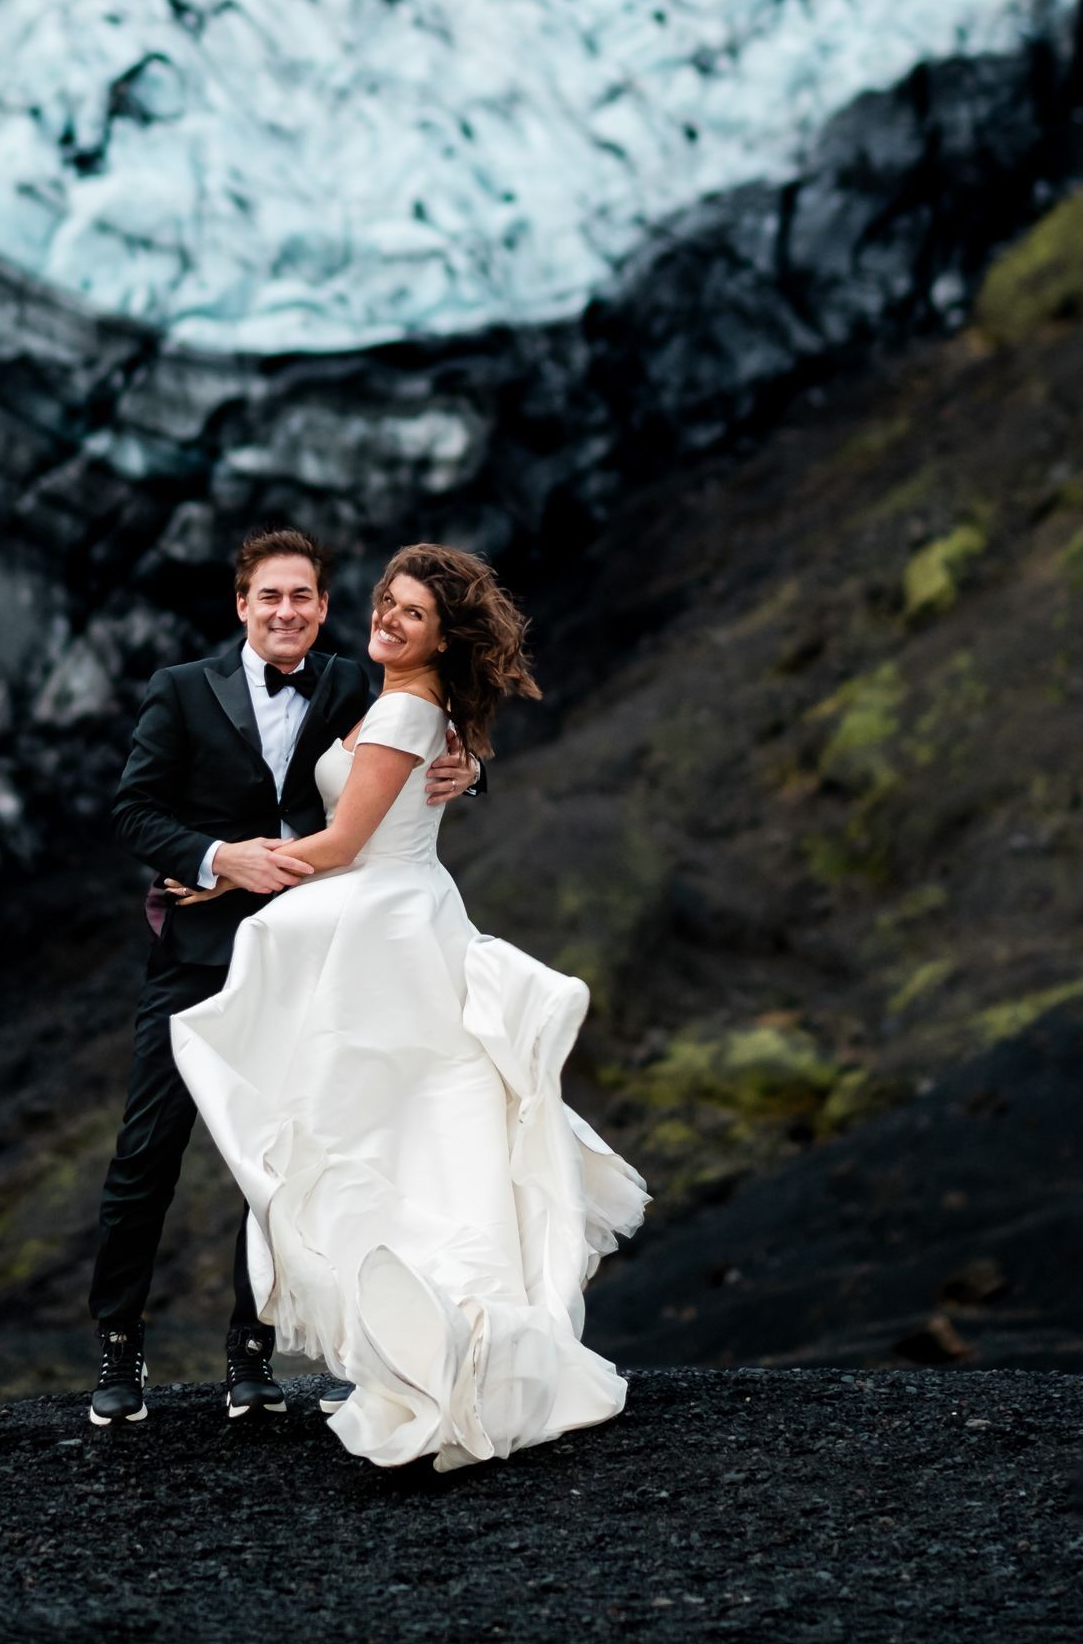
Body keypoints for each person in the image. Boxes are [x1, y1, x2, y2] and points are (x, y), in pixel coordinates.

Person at [170, 542, 647, 1471]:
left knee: (382, 1129)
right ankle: (439, 1342)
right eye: (386, 602)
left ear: (442, 635)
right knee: (412, 1134)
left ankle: (450, 1341)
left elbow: (346, 842)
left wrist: (224, 871)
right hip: (394, 921)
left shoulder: (404, 707)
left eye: (412, 614)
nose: (387, 620)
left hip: (382, 928)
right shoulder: (409, 704)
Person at [87, 526, 482, 1427]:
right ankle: (119, 1351)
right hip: (194, 954)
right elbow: (133, 810)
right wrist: (219, 857)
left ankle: (251, 1355)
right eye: (269, 596)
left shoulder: (351, 680)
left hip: (313, 957)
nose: (286, 612)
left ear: (322, 608)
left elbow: (417, 735)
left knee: (277, 1161)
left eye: (302, 596)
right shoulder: (182, 691)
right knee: (147, 1153)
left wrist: (474, 770)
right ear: (241, 605)